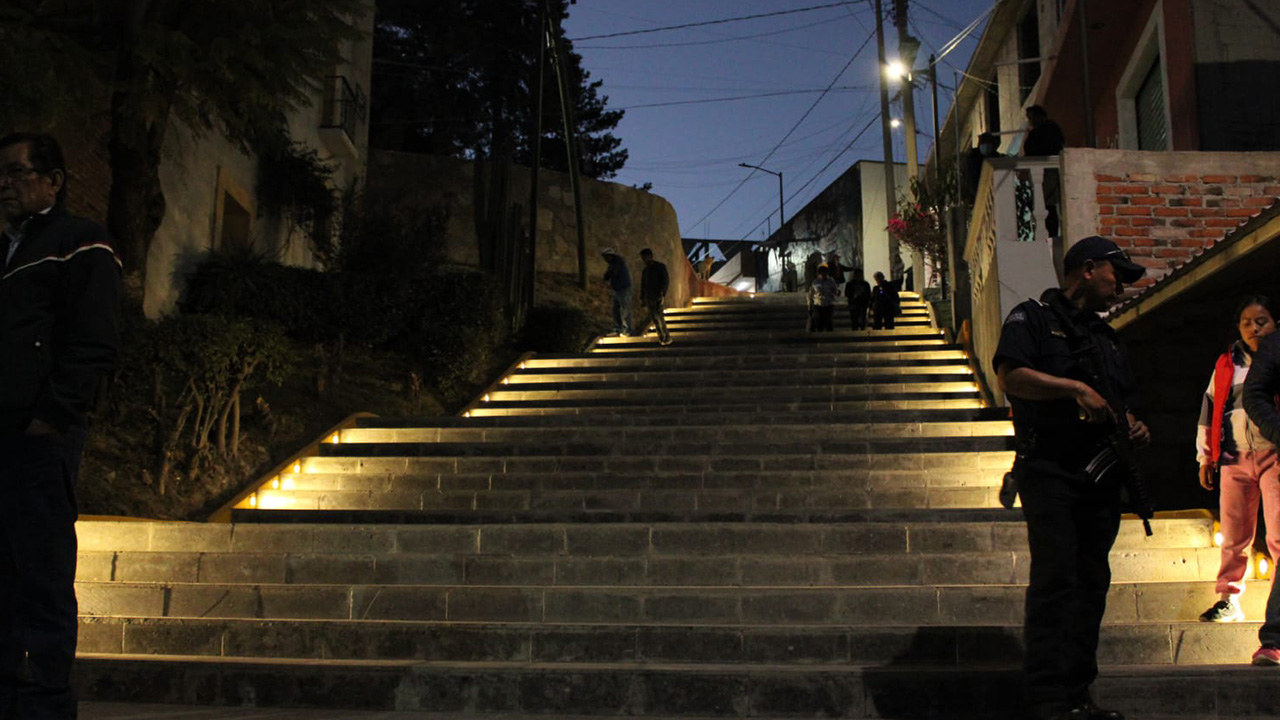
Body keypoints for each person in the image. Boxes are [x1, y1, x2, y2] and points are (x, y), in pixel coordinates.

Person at [993, 235, 1149, 720]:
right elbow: (1011, 376)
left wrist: (1135, 425)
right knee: (1056, 581)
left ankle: (1078, 693)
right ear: (1087, 269)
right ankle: (1046, 698)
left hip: (1099, 478)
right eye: (1115, 273)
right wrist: (1072, 389)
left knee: (1091, 584)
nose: (1121, 285)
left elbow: (1125, 401)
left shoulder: (1107, 337)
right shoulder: (1033, 319)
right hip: (1051, 473)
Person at [0, 133, 122, 719]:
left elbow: (93, 338)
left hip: (38, 436)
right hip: (5, 432)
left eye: (17, 172)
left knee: (43, 567)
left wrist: (52, 416)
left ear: (53, 180)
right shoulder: (9, 248)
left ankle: (46, 702)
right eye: (2, 174)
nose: (7, 184)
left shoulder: (79, 240)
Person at [1195, 296, 1279, 624]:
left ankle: (1277, 609)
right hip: (1234, 457)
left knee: (1278, 535)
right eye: (1246, 322)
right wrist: (1205, 457)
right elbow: (1211, 408)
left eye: (1261, 321)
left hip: (1274, 454)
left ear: (1275, 323)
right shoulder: (1228, 363)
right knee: (1234, 534)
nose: (1254, 328)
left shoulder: (1277, 358)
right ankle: (1229, 598)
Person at [1024, 105, 1065, 238]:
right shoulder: (1051, 129)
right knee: (1047, 204)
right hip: (1045, 171)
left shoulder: (1044, 131)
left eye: (1031, 117)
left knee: (1045, 202)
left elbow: (1031, 149)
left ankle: (1050, 233)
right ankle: (1050, 233)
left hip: (1048, 171)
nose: (1030, 121)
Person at [637, 248, 672, 346]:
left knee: (659, 317)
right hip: (649, 297)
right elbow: (643, 285)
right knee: (654, 318)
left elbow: (665, 281)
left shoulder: (660, 267)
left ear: (650, 256)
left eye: (644, 257)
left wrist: (662, 293)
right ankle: (661, 337)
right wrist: (642, 298)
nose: (643, 260)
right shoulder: (645, 270)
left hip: (657, 296)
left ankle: (667, 336)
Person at [963, 131, 1002, 205]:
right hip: (980, 192)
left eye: (988, 144)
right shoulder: (972, 158)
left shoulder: (995, 156)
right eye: (984, 143)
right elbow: (971, 180)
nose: (986, 146)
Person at [601, 246, 632, 336]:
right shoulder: (611, 264)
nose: (605, 260)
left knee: (625, 309)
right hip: (617, 289)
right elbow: (607, 275)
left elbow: (613, 273)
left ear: (610, 256)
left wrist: (608, 275)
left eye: (606, 257)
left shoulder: (618, 262)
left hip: (624, 288)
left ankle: (628, 329)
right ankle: (618, 328)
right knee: (616, 309)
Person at [807, 264, 839, 332]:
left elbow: (835, 290)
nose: (823, 275)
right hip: (818, 304)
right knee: (818, 321)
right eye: (821, 273)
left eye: (825, 273)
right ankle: (819, 334)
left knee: (828, 321)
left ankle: (829, 336)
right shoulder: (815, 282)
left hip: (828, 303)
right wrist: (809, 304)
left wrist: (836, 293)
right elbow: (810, 294)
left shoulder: (831, 281)